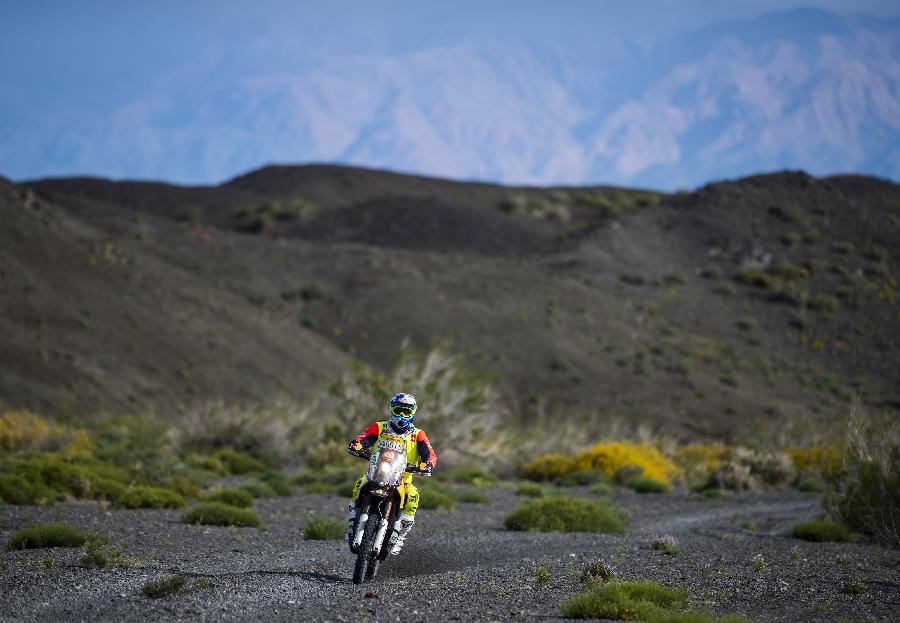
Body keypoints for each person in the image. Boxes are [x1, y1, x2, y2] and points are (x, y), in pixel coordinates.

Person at [346, 392, 437, 555]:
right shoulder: (379, 427)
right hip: (375, 473)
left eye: (406, 411)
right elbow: (364, 438)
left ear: (413, 413)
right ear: (391, 410)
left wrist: (427, 463)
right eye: (398, 410)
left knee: (413, 496)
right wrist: (358, 445)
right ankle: (351, 523)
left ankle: (399, 536)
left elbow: (428, 453)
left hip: (403, 480)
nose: (402, 415)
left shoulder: (418, 435)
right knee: (360, 483)